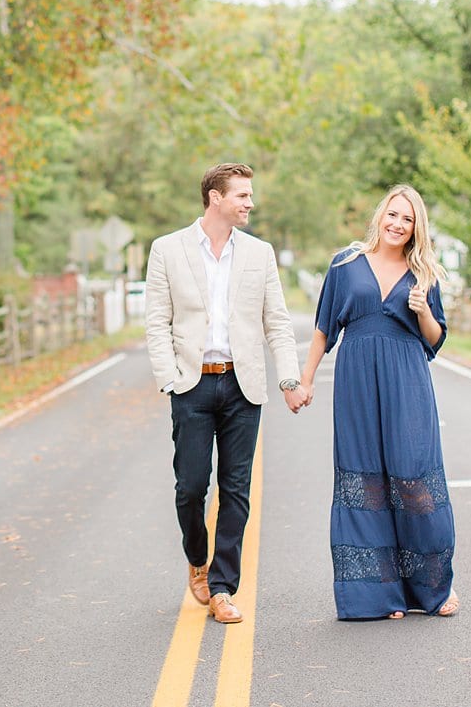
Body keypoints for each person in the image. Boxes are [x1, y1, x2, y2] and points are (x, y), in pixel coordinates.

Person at [284, 184, 458, 620]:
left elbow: (435, 341)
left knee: (413, 477)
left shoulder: (423, 274)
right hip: (357, 380)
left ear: (417, 228)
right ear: (381, 215)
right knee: (366, 484)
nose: (398, 225)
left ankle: (431, 589)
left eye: (408, 219)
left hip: (407, 380)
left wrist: (421, 311)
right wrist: (304, 382)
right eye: (393, 215)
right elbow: (324, 328)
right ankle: (380, 596)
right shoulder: (346, 264)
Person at [144, 162, 299, 624]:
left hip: (241, 384)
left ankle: (221, 586)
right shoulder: (167, 250)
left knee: (236, 489)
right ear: (216, 197)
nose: (250, 203)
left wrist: (289, 379)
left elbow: (277, 322)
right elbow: (157, 320)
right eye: (243, 195)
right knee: (190, 487)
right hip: (191, 384)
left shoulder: (259, 254)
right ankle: (197, 558)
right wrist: (169, 377)